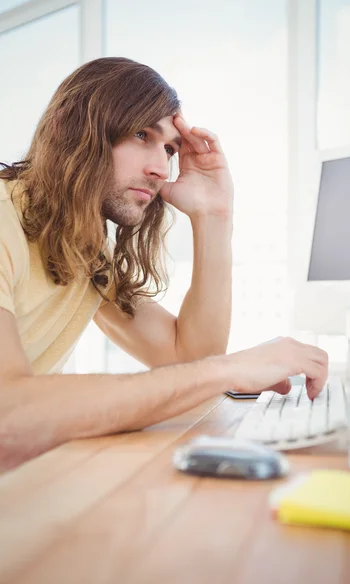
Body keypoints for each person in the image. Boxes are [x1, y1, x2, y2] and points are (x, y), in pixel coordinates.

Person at [0, 57, 328, 470]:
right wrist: (229, 370)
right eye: (142, 134)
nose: (160, 168)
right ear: (72, 126)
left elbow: (187, 358)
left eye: (170, 148)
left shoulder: (81, 246)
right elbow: (7, 415)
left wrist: (214, 216)